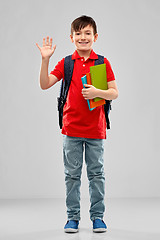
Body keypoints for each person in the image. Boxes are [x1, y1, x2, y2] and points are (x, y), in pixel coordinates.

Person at [36, 15, 118, 233]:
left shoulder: (102, 62)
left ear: (95, 37)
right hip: (71, 129)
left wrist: (96, 92)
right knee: (71, 176)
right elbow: (45, 84)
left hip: (96, 130)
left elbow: (114, 93)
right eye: (78, 33)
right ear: (71, 37)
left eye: (87, 33)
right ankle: (72, 218)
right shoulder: (66, 63)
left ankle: (98, 217)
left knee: (96, 175)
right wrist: (45, 60)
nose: (83, 37)